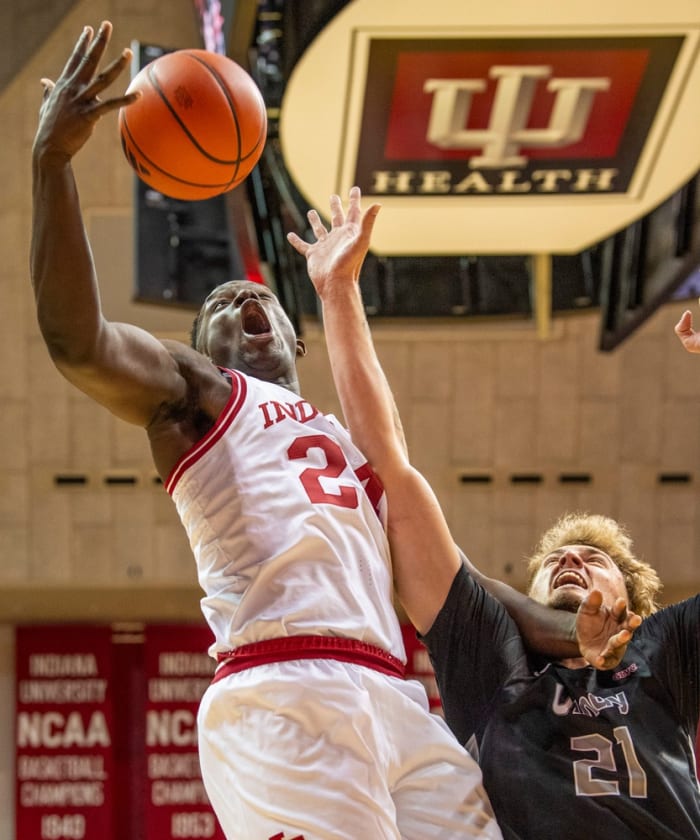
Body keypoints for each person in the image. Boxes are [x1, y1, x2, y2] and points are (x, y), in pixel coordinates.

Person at [31, 21, 506, 840]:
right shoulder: (199, 398)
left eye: (259, 301)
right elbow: (80, 344)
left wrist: (577, 629)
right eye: (218, 306)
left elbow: (456, 584)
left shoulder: (353, 443)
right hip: (282, 689)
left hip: (395, 695)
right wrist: (53, 165)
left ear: (295, 341)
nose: (242, 303)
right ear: (197, 348)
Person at [287, 186, 700, 840]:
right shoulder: (489, 650)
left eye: (594, 560)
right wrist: (338, 293)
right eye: (556, 561)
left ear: (632, 593)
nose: (571, 560)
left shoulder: (662, 648)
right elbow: (391, 475)